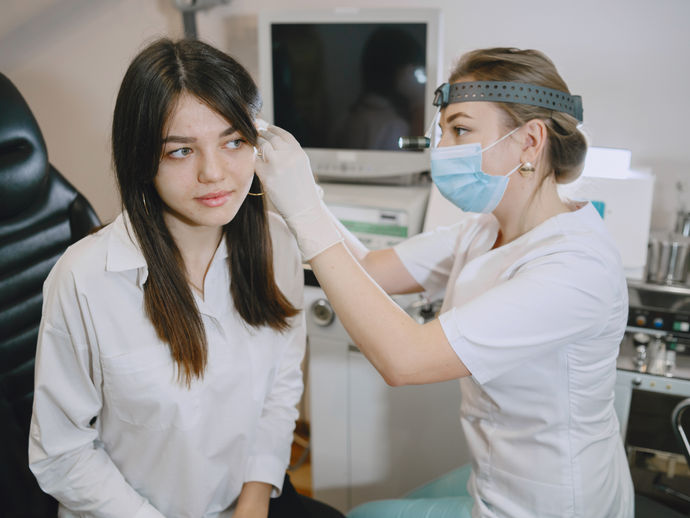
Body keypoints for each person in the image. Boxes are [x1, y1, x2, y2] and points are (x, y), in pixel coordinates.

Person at [254, 47, 634, 517]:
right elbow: (371, 267)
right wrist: (305, 197)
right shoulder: (488, 228)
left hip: (553, 503)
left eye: (461, 130)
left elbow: (404, 360)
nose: (442, 149)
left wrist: (305, 215)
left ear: (530, 142)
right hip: (497, 474)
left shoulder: (574, 267)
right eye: (443, 131)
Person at [29, 38, 342, 518]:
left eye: (233, 142)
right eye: (181, 151)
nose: (214, 173)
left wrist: (255, 499)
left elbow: (280, 388)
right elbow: (61, 454)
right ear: (141, 157)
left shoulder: (276, 243)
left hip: (247, 499)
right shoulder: (85, 279)